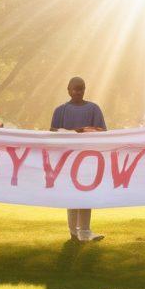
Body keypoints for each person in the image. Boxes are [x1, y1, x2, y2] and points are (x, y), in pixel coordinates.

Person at [50, 77, 107, 242]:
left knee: (86, 194)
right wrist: (76, 131)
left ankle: (85, 230)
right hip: (67, 159)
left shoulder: (94, 108)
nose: (78, 92)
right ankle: (73, 231)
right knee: (71, 194)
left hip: (88, 159)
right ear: (68, 90)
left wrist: (83, 132)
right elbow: (53, 132)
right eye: (75, 89)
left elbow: (102, 131)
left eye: (81, 88)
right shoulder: (60, 110)